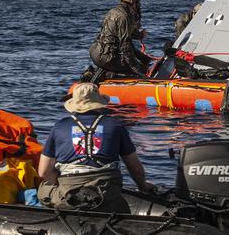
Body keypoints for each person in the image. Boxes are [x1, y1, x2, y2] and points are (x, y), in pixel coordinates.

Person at [36, 83, 156, 214]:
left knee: (44, 188)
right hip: (106, 190)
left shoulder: (59, 127)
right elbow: (135, 168)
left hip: (69, 189)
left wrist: (60, 184)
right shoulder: (115, 126)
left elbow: (43, 172)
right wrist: (143, 186)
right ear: (99, 102)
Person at [88, 0, 151, 80]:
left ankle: (96, 72)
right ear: (133, 2)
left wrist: (143, 57)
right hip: (107, 58)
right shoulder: (124, 17)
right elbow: (125, 46)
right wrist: (137, 68)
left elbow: (126, 38)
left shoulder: (112, 12)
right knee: (141, 69)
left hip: (95, 52)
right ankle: (106, 75)